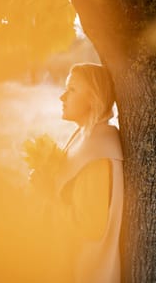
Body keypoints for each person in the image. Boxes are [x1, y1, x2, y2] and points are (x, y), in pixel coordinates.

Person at [29, 62, 124, 283]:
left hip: (85, 273)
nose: (62, 97)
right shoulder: (87, 135)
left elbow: (91, 227)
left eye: (72, 90)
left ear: (93, 97)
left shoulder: (100, 151)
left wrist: (47, 193)